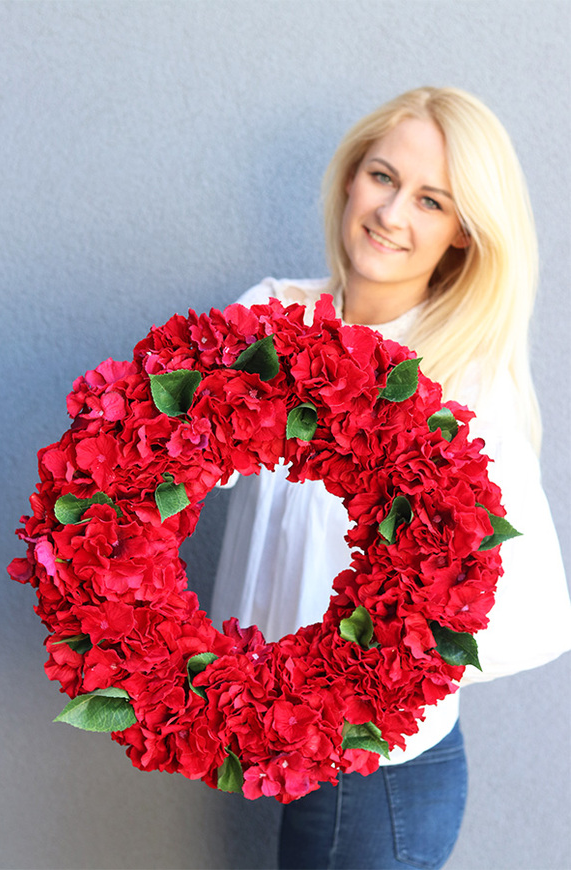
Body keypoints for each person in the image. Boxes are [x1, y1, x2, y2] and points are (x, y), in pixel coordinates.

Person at [210, 86, 571, 870]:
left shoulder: (460, 388)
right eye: (382, 177)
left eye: (431, 200)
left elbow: (540, 612)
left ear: (462, 236)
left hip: (379, 781)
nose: (392, 214)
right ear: (349, 180)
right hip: (293, 756)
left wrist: (377, 672)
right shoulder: (271, 317)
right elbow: (174, 457)